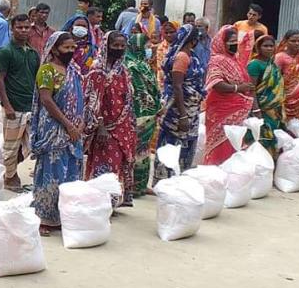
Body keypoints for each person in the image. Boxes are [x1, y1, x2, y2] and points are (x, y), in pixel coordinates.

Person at [30, 32, 84, 236]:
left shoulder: (74, 71)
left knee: (70, 173)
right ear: (54, 49)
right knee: (51, 173)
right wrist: (67, 124)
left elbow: (81, 99)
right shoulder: (47, 70)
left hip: (73, 131)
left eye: (73, 48)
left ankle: (63, 216)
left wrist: (79, 124)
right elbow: (47, 100)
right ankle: (43, 217)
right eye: (66, 48)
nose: (71, 52)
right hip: (53, 129)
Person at [83, 31, 137, 207]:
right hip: (105, 127)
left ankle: (113, 202)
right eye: (115, 46)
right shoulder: (97, 70)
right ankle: (99, 202)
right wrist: (100, 127)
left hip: (123, 126)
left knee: (118, 164)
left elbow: (127, 97)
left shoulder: (123, 70)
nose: (119, 49)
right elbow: (91, 101)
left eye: (122, 46)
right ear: (107, 46)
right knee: (105, 165)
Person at [153, 26, 206, 179]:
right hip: (179, 110)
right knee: (173, 144)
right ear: (193, 40)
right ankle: (166, 179)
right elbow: (177, 86)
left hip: (191, 109)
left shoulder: (191, 55)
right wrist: (183, 115)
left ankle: (178, 178)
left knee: (185, 143)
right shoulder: (182, 57)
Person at [0, 14, 40, 191]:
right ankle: (10, 177)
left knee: (32, 145)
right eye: (19, 27)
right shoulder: (6, 52)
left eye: (26, 27)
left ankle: (13, 172)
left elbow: (37, 80)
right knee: (10, 147)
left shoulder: (34, 53)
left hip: (31, 107)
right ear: (12, 29)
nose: (23, 30)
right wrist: (7, 105)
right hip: (13, 107)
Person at [202, 26, 255, 165]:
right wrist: (239, 88)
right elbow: (216, 83)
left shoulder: (235, 59)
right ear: (222, 42)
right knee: (221, 141)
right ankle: (216, 170)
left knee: (234, 140)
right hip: (221, 107)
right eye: (230, 41)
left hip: (236, 108)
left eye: (235, 41)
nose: (234, 44)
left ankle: (231, 172)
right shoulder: (217, 60)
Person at [124, 29, 161, 198]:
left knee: (144, 152)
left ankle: (141, 185)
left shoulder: (144, 63)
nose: (148, 48)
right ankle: (130, 185)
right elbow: (135, 91)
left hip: (149, 113)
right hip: (137, 113)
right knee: (135, 150)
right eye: (145, 45)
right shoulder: (130, 65)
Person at [247, 35, 285, 156]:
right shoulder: (255, 65)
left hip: (275, 110)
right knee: (263, 137)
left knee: (274, 136)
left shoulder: (272, 64)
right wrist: (256, 109)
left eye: (271, 46)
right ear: (258, 47)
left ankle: (270, 165)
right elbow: (251, 89)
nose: (269, 49)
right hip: (262, 108)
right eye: (265, 46)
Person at [274, 30, 299, 123]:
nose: (297, 43)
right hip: (285, 97)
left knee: (298, 125)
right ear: (286, 41)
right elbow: (275, 78)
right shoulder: (280, 57)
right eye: (293, 41)